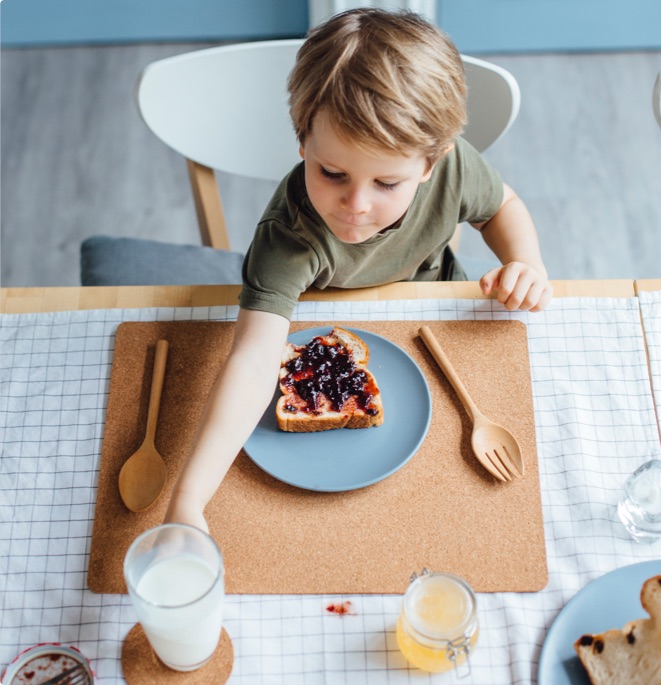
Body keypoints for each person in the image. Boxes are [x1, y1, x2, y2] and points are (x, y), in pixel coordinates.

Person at [165, 8, 552, 531]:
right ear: (302, 141)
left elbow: (501, 207)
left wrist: (525, 261)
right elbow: (253, 363)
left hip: (438, 327)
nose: (356, 204)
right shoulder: (288, 237)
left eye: (387, 184)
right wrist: (187, 501)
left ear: (431, 164)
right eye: (332, 172)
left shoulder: (455, 165)